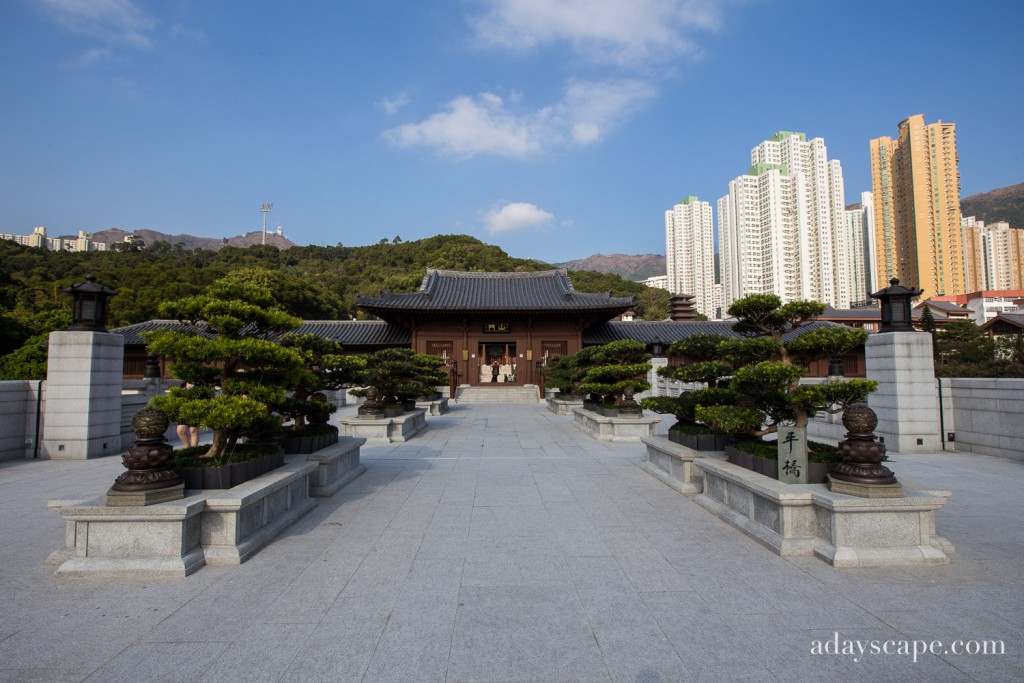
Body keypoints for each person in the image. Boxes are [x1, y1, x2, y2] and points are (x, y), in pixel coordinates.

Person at [175, 382, 200, 447]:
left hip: (195, 410)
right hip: (184, 410)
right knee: (180, 430)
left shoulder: (199, 384)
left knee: (193, 430)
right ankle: (188, 448)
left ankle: (194, 449)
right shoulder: (183, 384)